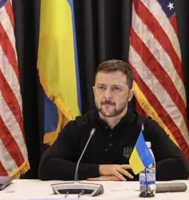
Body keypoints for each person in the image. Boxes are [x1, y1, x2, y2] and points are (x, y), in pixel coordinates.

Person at [38, 59, 189, 181]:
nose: (107, 96)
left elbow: (180, 166)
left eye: (116, 88)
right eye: (101, 87)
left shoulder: (145, 127)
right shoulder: (78, 127)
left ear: (130, 95)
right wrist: (101, 169)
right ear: (94, 91)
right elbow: (46, 167)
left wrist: (120, 176)